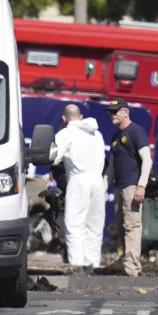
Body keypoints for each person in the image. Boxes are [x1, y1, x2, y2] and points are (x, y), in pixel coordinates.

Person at [49, 103, 106, 270]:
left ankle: (76, 264)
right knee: (94, 225)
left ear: (64, 119)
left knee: (75, 224)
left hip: (78, 179)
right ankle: (93, 264)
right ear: (81, 117)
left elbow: (54, 158)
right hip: (97, 180)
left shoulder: (65, 133)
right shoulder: (97, 134)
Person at [100, 98, 151, 277]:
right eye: (110, 112)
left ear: (126, 112)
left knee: (132, 226)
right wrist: (104, 186)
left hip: (132, 186)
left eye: (115, 111)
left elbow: (147, 160)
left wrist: (141, 186)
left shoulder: (136, 131)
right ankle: (126, 264)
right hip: (119, 187)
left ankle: (132, 268)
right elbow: (112, 167)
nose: (112, 115)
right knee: (122, 226)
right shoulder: (115, 137)